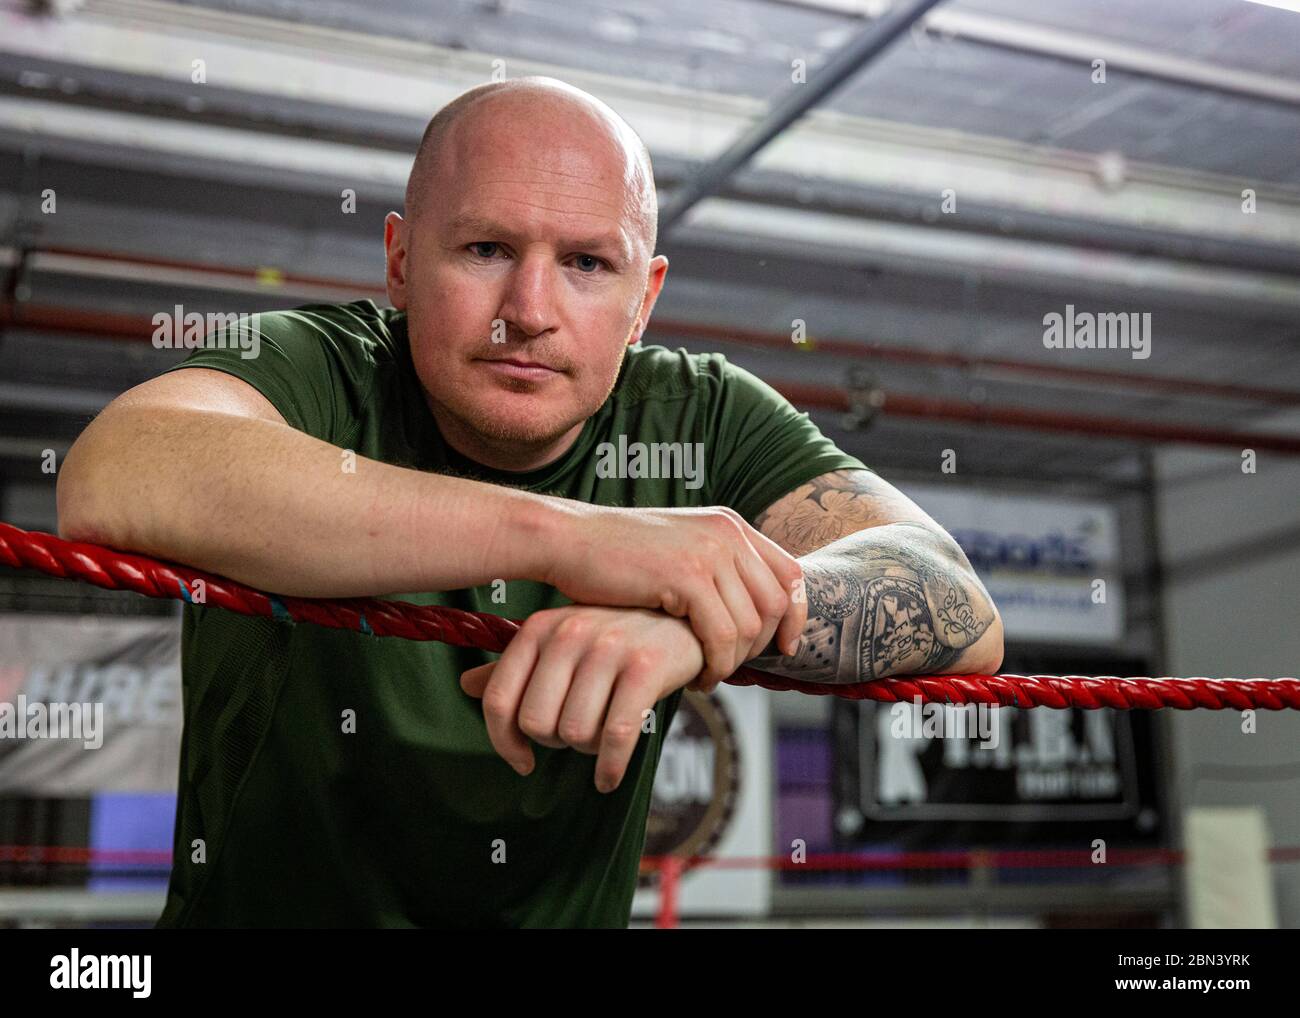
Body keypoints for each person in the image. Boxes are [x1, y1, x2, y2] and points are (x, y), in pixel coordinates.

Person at [56, 76, 1003, 927]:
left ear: (644, 300)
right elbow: (111, 474)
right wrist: (567, 539)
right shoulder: (321, 370)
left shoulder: (699, 415)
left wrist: (705, 624)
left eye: (589, 264)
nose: (530, 309)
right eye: (484, 248)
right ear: (398, 261)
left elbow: (954, 601)